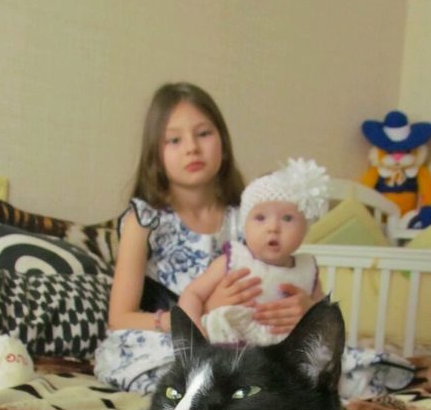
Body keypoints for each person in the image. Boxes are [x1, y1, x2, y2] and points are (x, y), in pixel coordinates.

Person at [93, 83, 315, 393]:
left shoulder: (250, 218)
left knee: (314, 363)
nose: (192, 148)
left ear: (223, 141)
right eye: (174, 139)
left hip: (245, 335)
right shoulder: (145, 220)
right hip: (174, 335)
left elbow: (285, 273)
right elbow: (119, 318)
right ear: (155, 154)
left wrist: (304, 309)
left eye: (204, 134)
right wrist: (198, 314)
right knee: (183, 372)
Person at [179, 158, 329, 345]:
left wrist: (312, 312)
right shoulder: (234, 260)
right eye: (260, 218)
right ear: (245, 226)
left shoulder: (306, 271)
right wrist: (193, 329)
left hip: (286, 353)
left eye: (287, 218)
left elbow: (327, 318)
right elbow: (192, 294)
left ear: (304, 228)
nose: (273, 228)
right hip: (231, 347)